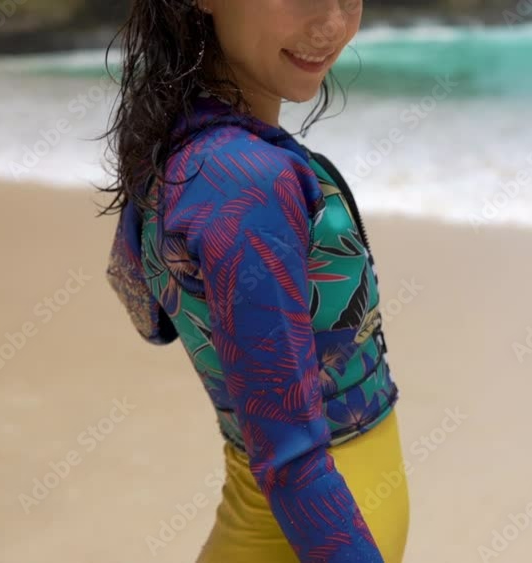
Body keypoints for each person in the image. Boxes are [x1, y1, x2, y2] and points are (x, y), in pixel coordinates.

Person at [97, 0, 408, 561]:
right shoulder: (247, 182)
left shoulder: (175, 137)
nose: (334, 25)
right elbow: (291, 461)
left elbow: (147, 311)